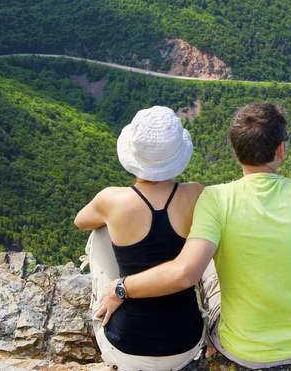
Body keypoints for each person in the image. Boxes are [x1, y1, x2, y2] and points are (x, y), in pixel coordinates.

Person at [96, 103, 291, 369]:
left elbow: (186, 273)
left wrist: (120, 288)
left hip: (240, 348)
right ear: (280, 149)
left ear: (236, 151)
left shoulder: (215, 199)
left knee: (206, 257)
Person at [75, 106, 206, 371]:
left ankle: (107, 298)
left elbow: (80, 221)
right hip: (186, 343)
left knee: (99, 231)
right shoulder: (196, 193)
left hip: (126, 348)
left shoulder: (112, 199)